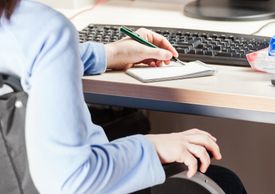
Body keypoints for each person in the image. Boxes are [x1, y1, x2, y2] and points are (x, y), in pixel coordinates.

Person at [0, 0, 224, 193]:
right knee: (223, 180)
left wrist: (109, 54)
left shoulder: (21, 27)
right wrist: (153, 147)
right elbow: (71, 182)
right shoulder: (44, 31)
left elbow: (25, 49)